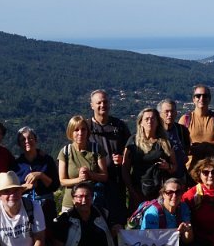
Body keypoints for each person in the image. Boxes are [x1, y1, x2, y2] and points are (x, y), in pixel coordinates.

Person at [136, 177, 195, 246]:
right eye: (169, 192)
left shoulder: (183, 208)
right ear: (163, 194)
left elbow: (187, 241)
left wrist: (187, 231)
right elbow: (148, 244)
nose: (174, 196)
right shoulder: (153, 212)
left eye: (178, 192)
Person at [88, 89, 132, 225]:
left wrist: (123, 159)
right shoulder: (86, 127)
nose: (102, 105)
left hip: (116, 183)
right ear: (92, 105)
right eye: (99, 102)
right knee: (96, 222)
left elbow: (131, 150)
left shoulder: (119, 126)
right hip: (94, 184)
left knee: (117, 222)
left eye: (105, 102)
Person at [122, 107, 177, 208]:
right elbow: (125, 167)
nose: (150, 121)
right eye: (146, 119)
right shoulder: (133, 141)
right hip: (138, 189)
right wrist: (131, 190)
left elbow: (174, 167)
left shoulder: (165, 143)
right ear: (141, 123)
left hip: (159, 191)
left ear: (157, 122)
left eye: (153, 119)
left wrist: (168, 166)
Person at [58, 115, 109, 213]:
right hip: (70, 204)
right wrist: (79, 179)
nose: (80, 133)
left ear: (87, 131)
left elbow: (104, 176)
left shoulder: (97, 149)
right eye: (76, 130)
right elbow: (62, 181)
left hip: (93, 203)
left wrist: (90, 174)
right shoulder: (65, 152)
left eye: (83, 129)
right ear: (70, 132)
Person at [12, 126, 61, 226]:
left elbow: (55, 186)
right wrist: (26, 186)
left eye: (30, 138)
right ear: (19, 144)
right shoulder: (16, 165)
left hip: (46, 206)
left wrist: (41, 176)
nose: (27, 141)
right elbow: (11, 190)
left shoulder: (47, 160)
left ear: (35, 140)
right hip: (24, 207)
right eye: (23, 139)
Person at [181, 85, 214, 169]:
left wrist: (204, 145)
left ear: (209, 99)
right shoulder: (185, 119)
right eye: (198, 96)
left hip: (212, 170)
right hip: (190, 169)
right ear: (193, 99)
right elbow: (180, 145)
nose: (201, 98)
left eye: (205, 96)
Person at [157, 99, 192, 184]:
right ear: (159, 114)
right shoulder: (155, 132)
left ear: (176, 113)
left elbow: (186, 149)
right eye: (166, 112)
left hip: (180, 178)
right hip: (160, 180)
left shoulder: (182, 130)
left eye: (172, 111)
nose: (170, 115)